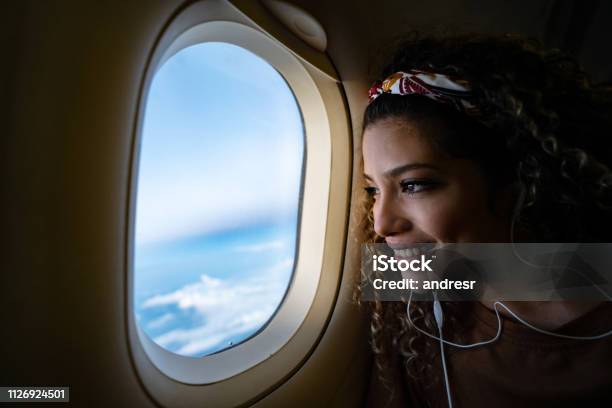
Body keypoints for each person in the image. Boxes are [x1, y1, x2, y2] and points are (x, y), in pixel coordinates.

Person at [357, 33, 612, 407]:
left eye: (413, 185)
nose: (381, 224)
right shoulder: (418, 314)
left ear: (516, 177)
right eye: (372, 191)